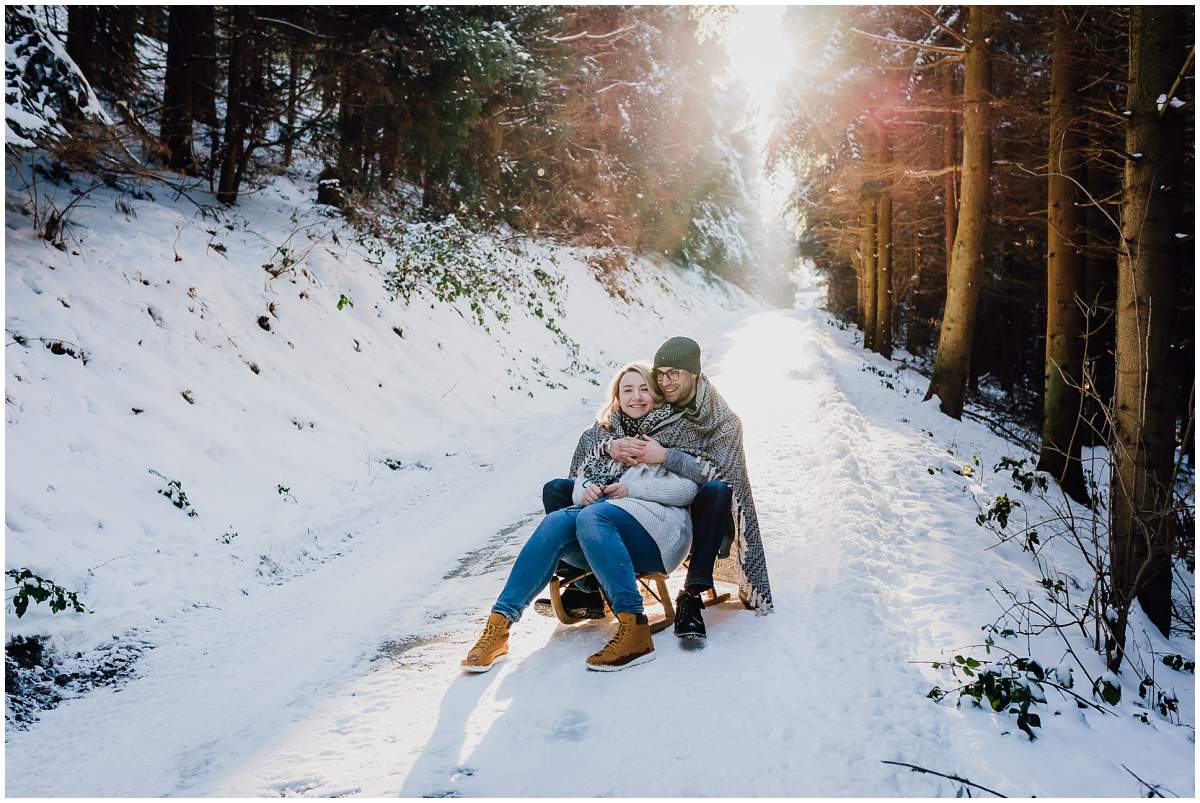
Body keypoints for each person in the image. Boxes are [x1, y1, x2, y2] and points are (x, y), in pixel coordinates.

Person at [461, 363, 699, 673]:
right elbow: (582, 477)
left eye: (644, 390)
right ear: (616, 397)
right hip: (606, 533)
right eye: (627, 390)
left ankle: (635, 629)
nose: (636, 397)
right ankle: (498, 627)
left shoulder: (672, 430)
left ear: (655, 395)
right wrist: (583, 491)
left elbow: (689, 489)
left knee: (593, 516)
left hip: (659, 533)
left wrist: (630, 488)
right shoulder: (606, 437)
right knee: (556, 522)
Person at [542, 336, 773, 640]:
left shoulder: (718, 421)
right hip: (629, 508)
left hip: (694, 515)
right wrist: (610, 449)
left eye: (673, 374)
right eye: (660, 374)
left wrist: (664, 456)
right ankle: (587, 583)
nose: (664, 382)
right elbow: (590, 463)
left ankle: (691, 595)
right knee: (558, 489)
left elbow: (721, 474)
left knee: (715, 489)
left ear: (694, 373)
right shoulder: (646, 411)